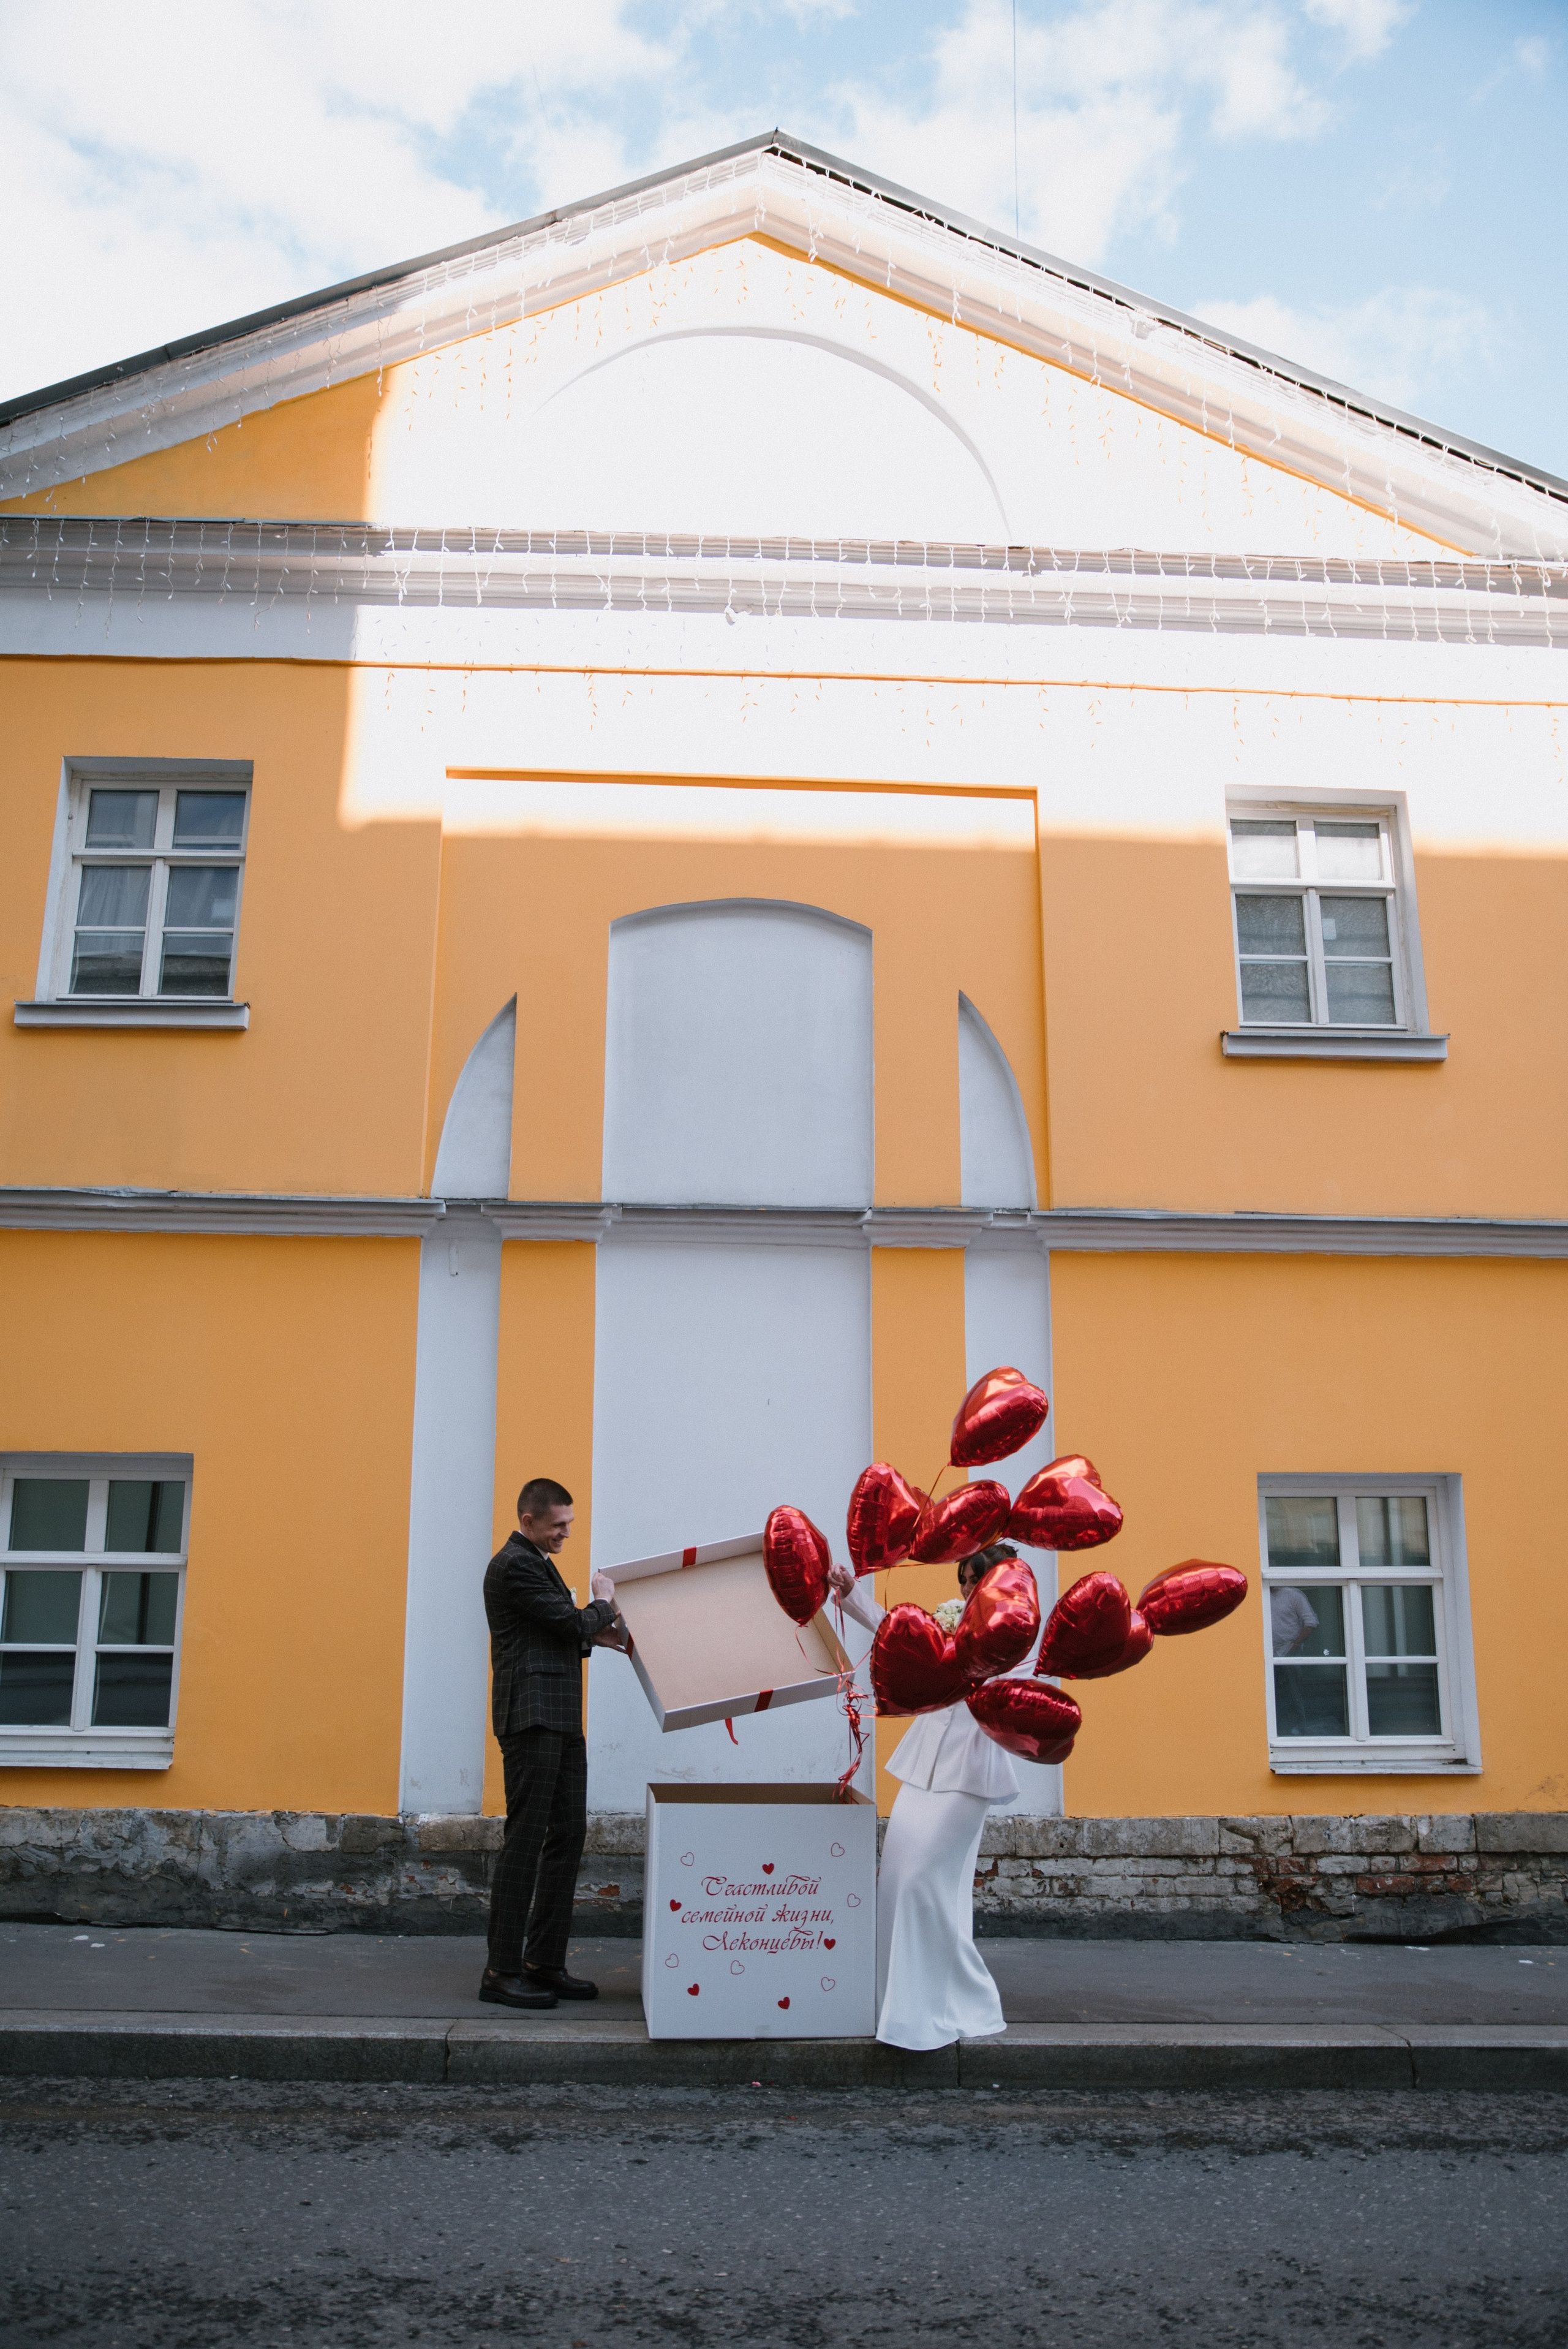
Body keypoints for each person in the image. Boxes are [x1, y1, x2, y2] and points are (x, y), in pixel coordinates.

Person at [827, 1540, 1031, 2052]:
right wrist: (851, 1596)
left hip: (972, 1771)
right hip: (924, 1767)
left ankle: (959, 2002)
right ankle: (905, 2006)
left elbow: (1016, 1693)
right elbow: (895, 1633)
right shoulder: (951, 1619)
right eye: (963, 1578)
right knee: (898, 1879)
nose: (966, 1588)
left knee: (924, 1883)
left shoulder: (1018, 1630)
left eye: (976, 1578)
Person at [480, 1477, 627, 2011]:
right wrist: (602, 1607)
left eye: (569, 1523)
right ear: (529, 1522)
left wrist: (593, 1634)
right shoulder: (515, 1563)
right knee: (525, 1844)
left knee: (568, 1836)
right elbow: (567, 1620)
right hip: (532, 1718)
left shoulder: (536, 1561)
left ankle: (544, 1961)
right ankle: (501, 1970)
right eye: (558, 1525)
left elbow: (556, 1631)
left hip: (558, 1718)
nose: (566, 1532)